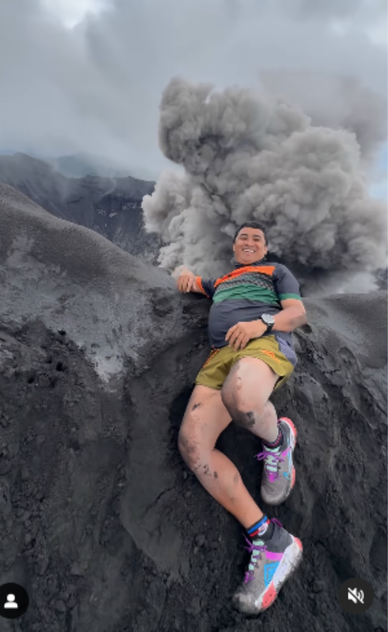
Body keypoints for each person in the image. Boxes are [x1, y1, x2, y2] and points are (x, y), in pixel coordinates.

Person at [175, 222, 307, 615]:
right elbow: (193, 282)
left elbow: (297, 314)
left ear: (265, 249)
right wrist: (186, 278)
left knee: (241, 398)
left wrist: (260, 323)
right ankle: (269, 539)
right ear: (234, 247)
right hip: (219, 357)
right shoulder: (224, 281)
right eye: (242, 238)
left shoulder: (275, 272)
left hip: (263, 343)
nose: (249, 242)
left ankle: (278, 440)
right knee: (193, 445)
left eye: (257, 239)